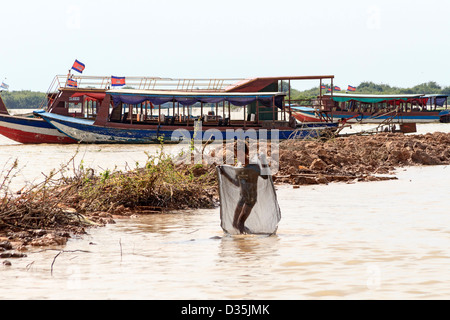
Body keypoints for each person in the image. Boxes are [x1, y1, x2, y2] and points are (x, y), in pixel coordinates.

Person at [218, 142, 269, 234]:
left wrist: (264, 163)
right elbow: (237, 183)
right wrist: (224, 174)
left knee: (240, 222)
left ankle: (243, 244)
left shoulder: (254, 166)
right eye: (237, 155)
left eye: (241, 154)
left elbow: (265, 177)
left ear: (247, 153)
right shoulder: (239, 167)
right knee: (235, 224)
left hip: (250, 199)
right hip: (242, 199)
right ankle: (250, 235)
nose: (239, 157)